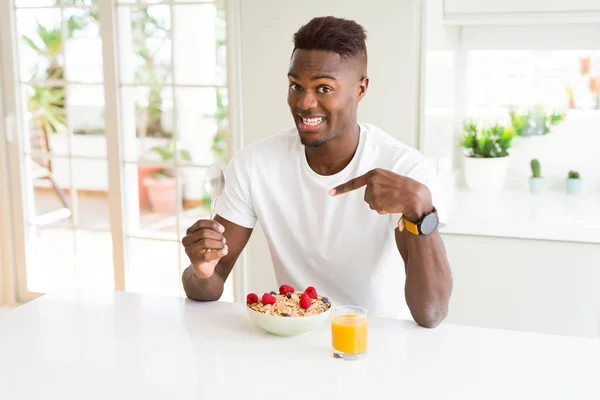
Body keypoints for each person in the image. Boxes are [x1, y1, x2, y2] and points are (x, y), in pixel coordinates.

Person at [181, 16, 452, 328]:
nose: (305, 102)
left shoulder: (404, 168)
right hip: (294, 338)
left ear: (360, 89)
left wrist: (419, 207)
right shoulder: (255, 165)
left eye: (324, 88)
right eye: (296, 86)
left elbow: (431, 313)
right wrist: (200, 268)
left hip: (379, 344)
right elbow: (207, 286)